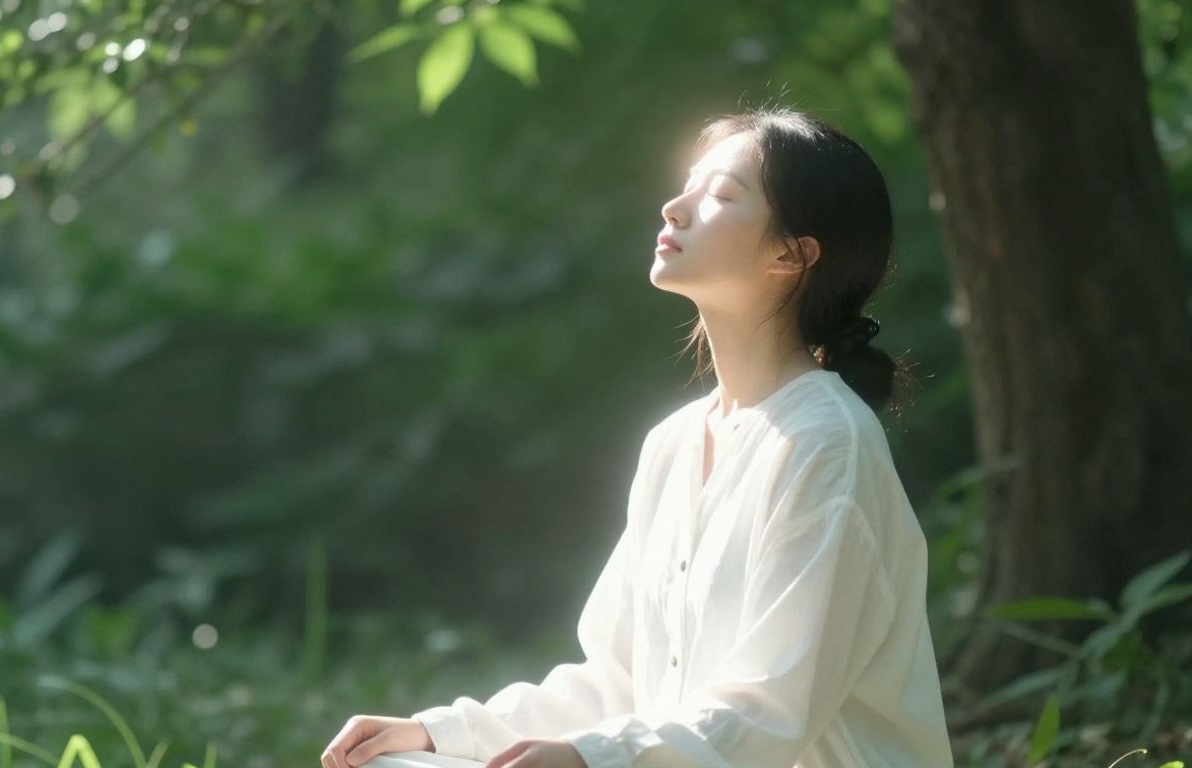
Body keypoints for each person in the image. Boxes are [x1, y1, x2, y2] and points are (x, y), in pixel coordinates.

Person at [321, 105, 956, 768]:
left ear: (791, 255)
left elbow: (770, 712)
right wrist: (440, 733)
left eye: (718, 196)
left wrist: (590, 757)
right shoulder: (673, 445)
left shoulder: (828, 443)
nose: (674, 209)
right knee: (391, 765)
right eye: (684, 186)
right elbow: (620, 682)